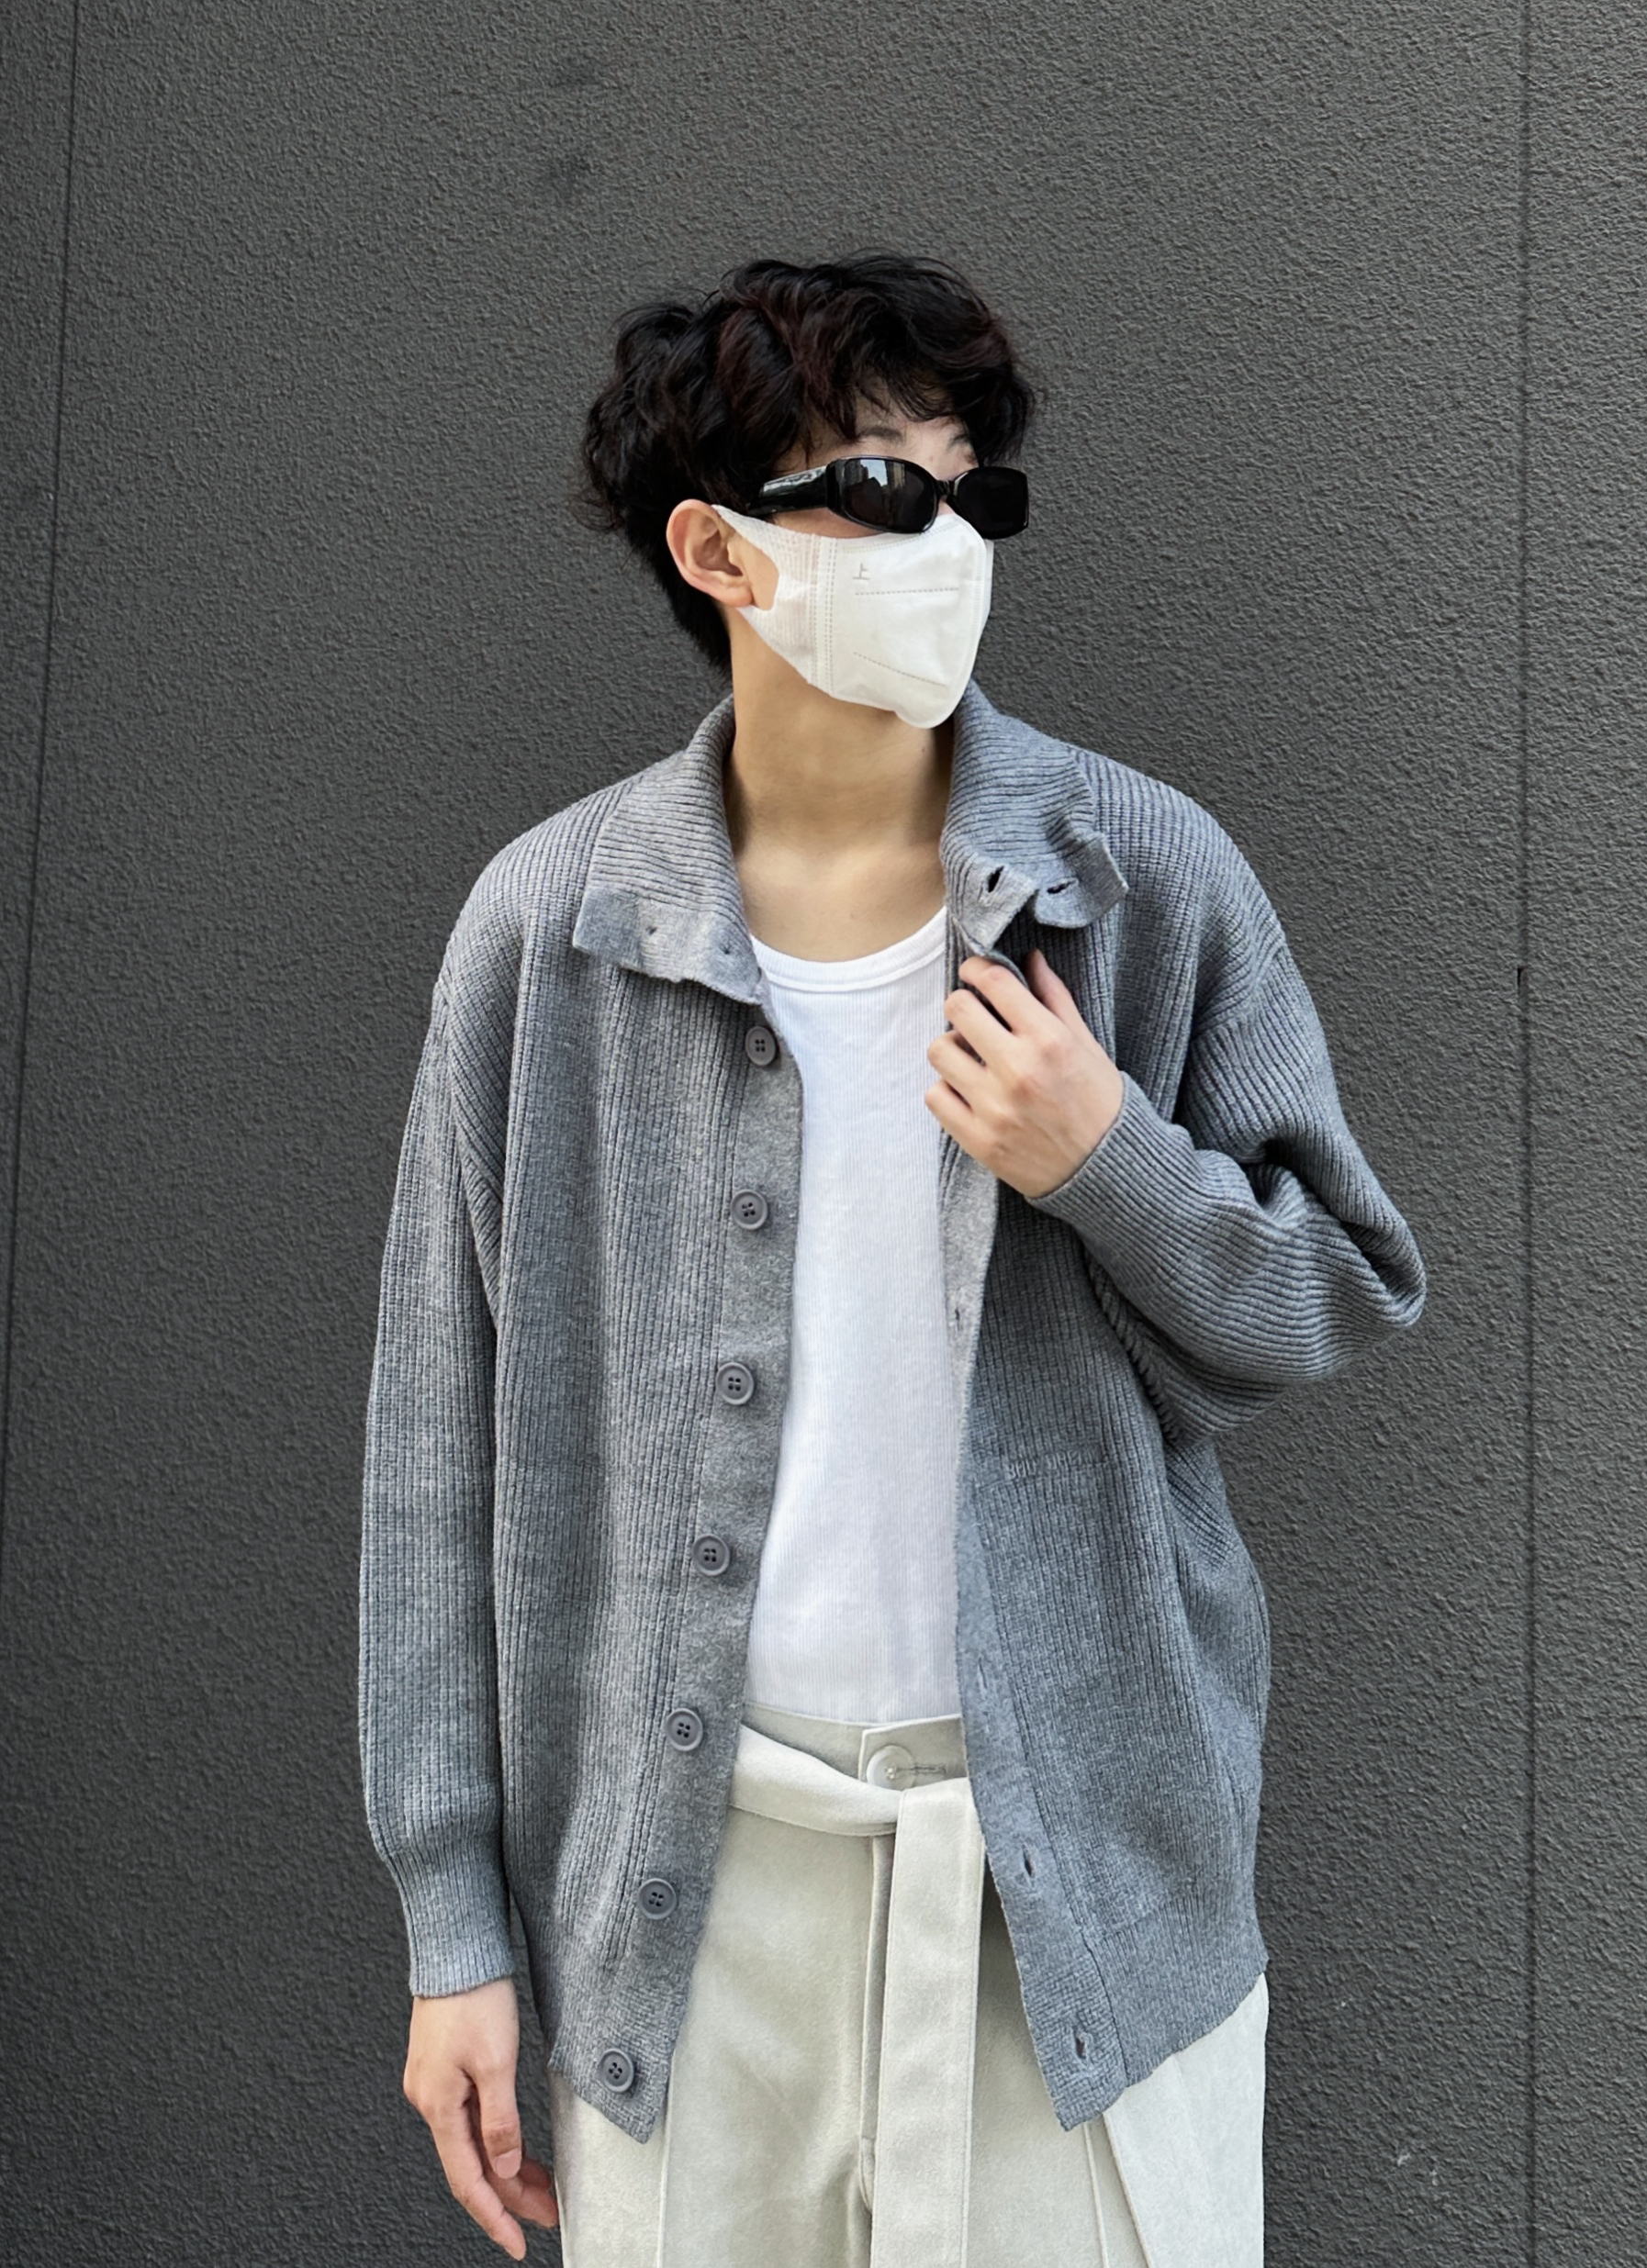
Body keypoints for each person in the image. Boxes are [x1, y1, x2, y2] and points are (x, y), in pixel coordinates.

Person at [359, 253, 1426, 2267]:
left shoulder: (1136, 878)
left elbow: (1327, 1297)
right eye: (877, 488)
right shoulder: (549, 932)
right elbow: (438, 1445)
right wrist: (452, 1927)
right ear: (719, 550)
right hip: (686, 1911)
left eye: (970, 493)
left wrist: (1107, 1161)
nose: (944, 544)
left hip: (1075, 1900)